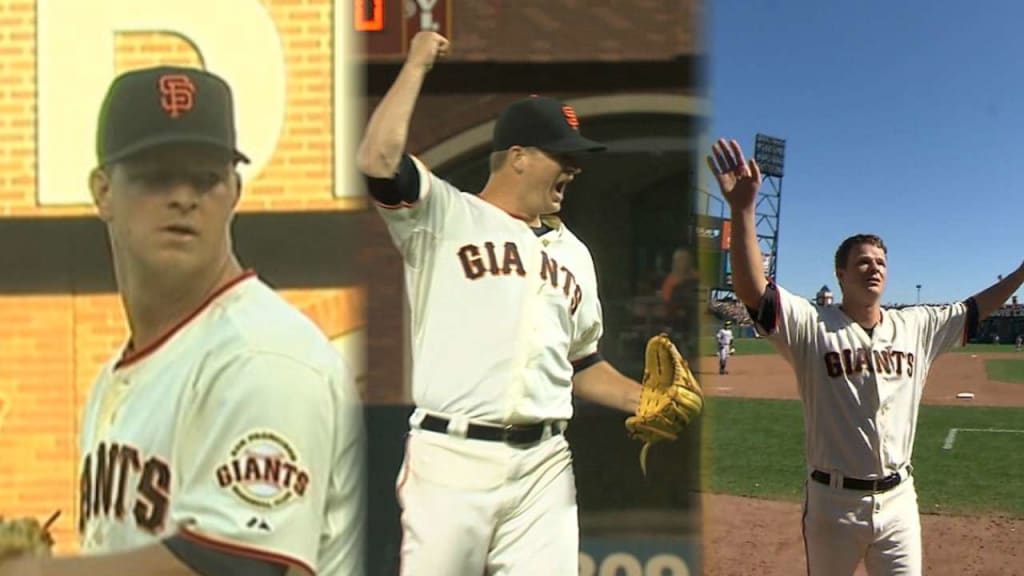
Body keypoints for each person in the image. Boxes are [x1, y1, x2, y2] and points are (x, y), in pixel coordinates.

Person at [0, 65, 365, 576]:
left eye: (206, 178)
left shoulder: (262, 357)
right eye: (156, 176)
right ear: (103, 191)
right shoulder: (119, 376)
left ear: (234, 191)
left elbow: (236, 569)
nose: (183, 196)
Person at [357, 32, 644, 575]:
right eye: (563, 155)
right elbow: (377, 158)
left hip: (545, 464)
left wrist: (643, 398)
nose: (574, 168)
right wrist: (416, 63)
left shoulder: (575, 254)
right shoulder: (443, 215)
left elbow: (582, 364)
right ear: (518, 157)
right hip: (451, 459)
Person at [707, 138, 1024, 576]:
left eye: (880, 261)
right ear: (840, 274)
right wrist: (743, 210)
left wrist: (1022, 271)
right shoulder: (810, 324)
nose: (873, 267)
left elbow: (973, 309)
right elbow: (753, 291)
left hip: (899, 502)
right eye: (862, 261)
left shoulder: (916, 325)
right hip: (833, 505)